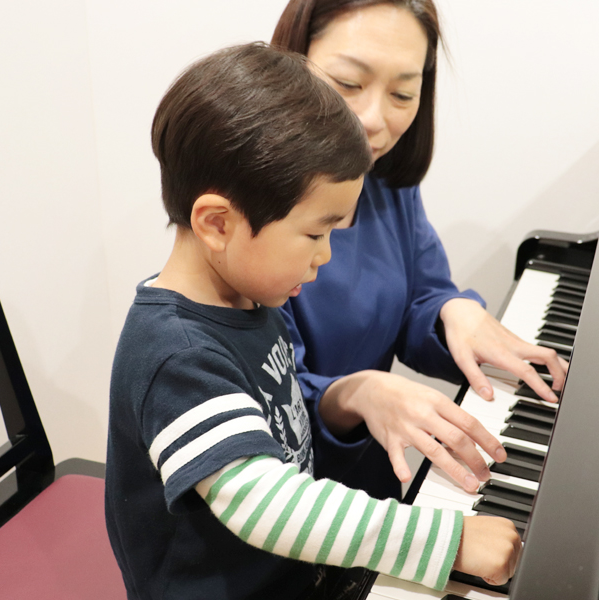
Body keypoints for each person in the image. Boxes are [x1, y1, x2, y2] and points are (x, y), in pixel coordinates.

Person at [105, 43, 521, 600]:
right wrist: (448, 541)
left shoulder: (250, 300)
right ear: (217, 223)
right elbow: (267, 504)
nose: (325, 256)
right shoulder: (177, 354)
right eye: (315, 234)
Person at [272, 0, 570, 501]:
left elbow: (416, 298)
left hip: (376, 483)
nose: (373, 120)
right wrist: (360, 394)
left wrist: (453, 311)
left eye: (403, 93)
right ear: (290, 63)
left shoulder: (385, 182)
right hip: (293, 504)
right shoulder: (254, 216)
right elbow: (270, 401)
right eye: (347, 84)